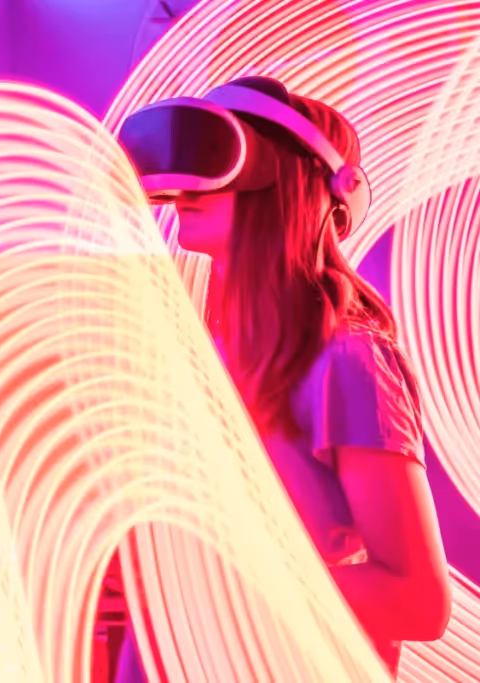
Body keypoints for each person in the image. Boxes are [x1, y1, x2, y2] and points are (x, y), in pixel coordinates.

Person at [113, 76, 452, 679]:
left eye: (215, 158)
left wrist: (218, 584)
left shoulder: (348, 361)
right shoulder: (211, 354)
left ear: (289, 182)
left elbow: (418, 601)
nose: (187, 185)